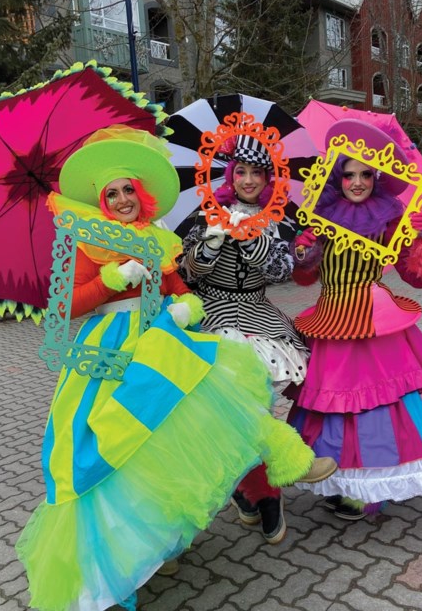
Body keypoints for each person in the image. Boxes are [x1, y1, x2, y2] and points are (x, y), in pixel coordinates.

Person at [14, 127, 337, 611]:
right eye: (113, 192)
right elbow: (62, 308)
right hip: (108, 351)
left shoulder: (156, 238)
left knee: (203, 405)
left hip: (161, 337)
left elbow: (178, 286)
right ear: (100, 199)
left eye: (129, 190)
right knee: (114, 448)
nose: (123, 199)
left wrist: (184, 305)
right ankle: (124, 555)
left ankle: (179, 527)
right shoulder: (83, 241)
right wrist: (111, 279)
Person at [287, 120, 422, 522]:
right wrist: (303, 256)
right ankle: (339, 479)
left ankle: (374, 485)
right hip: (331, 318)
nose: (357, 182)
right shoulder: (319, 217)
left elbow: (416, 278)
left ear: (378, 176)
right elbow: (303, 278)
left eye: (365, 174)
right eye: (349, 174)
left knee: (378, 403)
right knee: (334, 404)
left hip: (375, 320)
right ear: (337, 177)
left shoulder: (391, 219)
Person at [179, 133, 310, 545]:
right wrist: (213, 239)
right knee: (223, 413)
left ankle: (267, 493)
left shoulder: (278, 218)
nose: (249, 180)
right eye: (242, 171)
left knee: (257, 407)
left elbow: (280, 272)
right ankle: (244, 487)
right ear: (230, 175)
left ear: (267, 177)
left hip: (259, 317)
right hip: (211, 315)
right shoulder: (205, 214)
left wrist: (251, 238)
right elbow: (187, 273)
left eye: (257, 172)